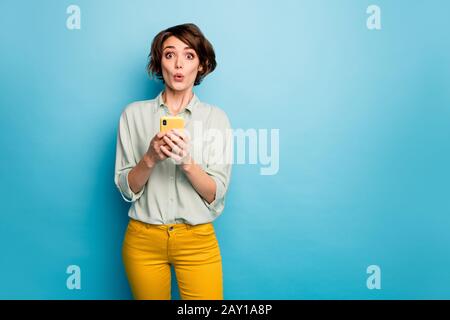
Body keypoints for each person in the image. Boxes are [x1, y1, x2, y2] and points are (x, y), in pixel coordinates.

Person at [114, 23, 232, 300]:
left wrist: (187, 163)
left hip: (197, 241)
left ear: (201, 65)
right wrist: (150, 158)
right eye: (169, 55)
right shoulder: (133, 115)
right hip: (143, 240)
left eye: (189, 56)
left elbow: (215, 193)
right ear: (159, 63)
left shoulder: (217, 119)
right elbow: (125, 189)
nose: (178, 64)